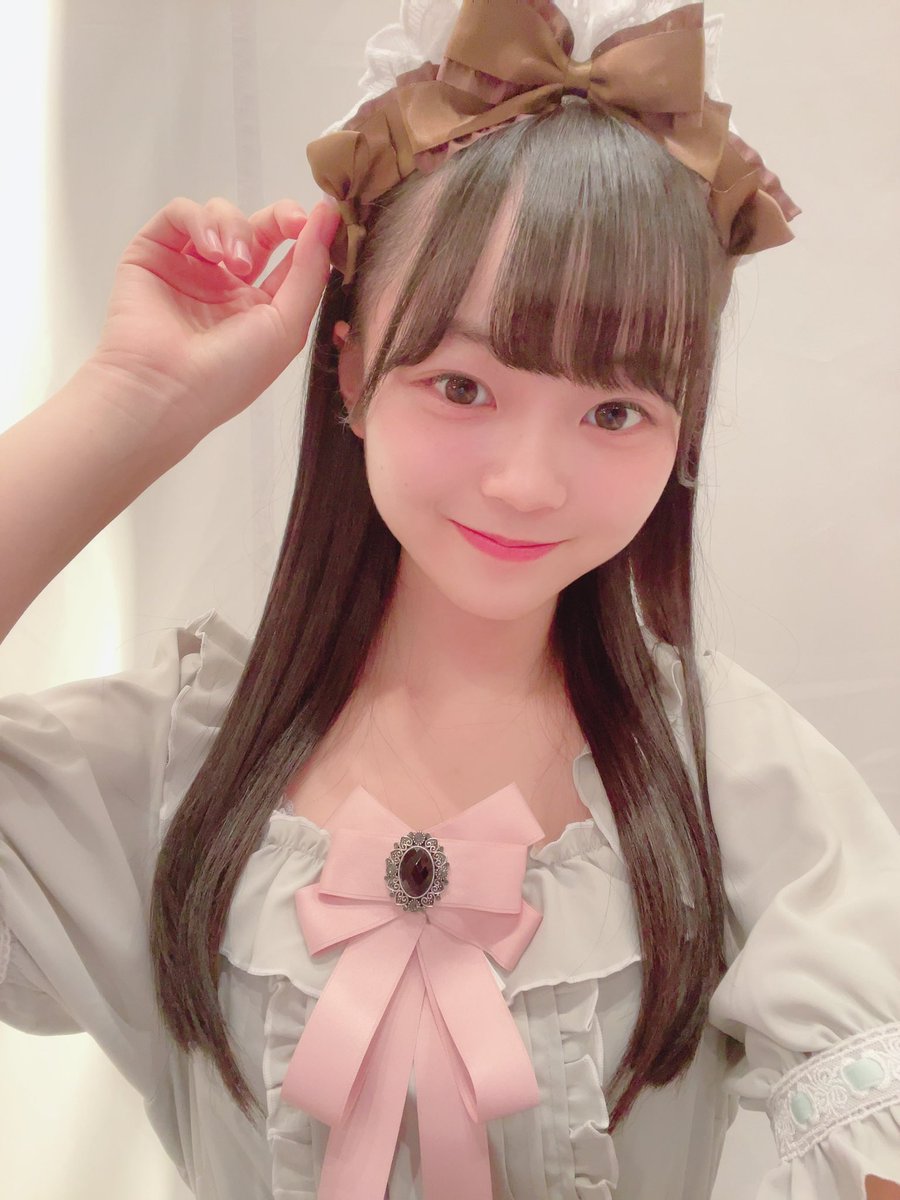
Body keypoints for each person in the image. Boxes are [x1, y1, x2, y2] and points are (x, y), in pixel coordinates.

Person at [1, 1, 898, 1198]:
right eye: (463, 386)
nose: (528, 482)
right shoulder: (182, 760)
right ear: (350, 366)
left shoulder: (727, 773)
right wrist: (132, 396)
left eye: (615, 411)